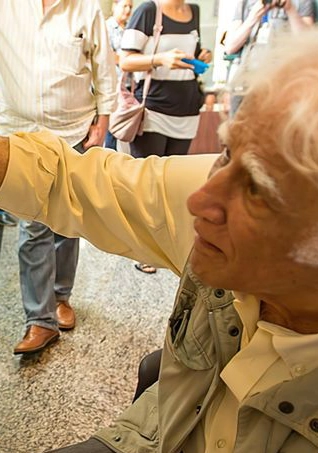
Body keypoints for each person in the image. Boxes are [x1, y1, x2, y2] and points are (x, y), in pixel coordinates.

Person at [1, 23, 318, 453]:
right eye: (227, 153)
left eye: (258, 188)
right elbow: (75, 181)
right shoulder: (230, 210)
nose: (201, 200)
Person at [0, 0, 117, 355]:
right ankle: (40, 319)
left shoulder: (87, 8)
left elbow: (104, 66)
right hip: (18, 132)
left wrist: (104, 120)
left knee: (67, 223)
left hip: (73, 132)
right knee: (32, 225)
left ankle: (61, 296)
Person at [120, 0, 212, 158]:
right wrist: (160, 59)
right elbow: (125, 61)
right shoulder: (148, 11)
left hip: (187, 112)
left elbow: (191, 52)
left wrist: (204, 54)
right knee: (148, 177)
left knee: (174, 177)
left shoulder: (194, 11)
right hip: (153, 113)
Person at [223, 0, 314, 85]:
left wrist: (290, 9)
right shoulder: (245, 2)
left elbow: (307, 42)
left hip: (284, 77)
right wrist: (254, 17)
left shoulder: (301, 2)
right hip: (248, 77)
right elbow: (230, 47)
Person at [104, 0, 134, 151]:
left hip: (128, 87)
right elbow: (106, 55)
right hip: (111, 88)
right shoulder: (106, 28)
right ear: (114, 6)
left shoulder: (130, 28)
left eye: (130, 7)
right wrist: (127, 60)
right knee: (111, 129)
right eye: (124, 6)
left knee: (124, 129)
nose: (128, 10)